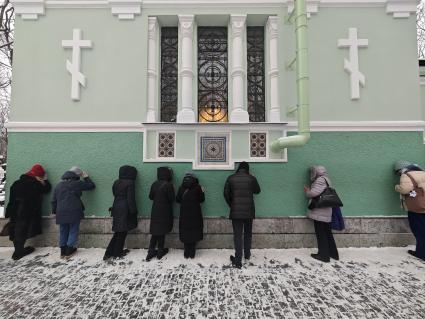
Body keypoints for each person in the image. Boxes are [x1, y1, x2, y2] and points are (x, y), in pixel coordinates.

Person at [6, 164, 51, 260]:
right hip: (26, 210)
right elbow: (47, 189)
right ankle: (18, 252)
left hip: (14, 209)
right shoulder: (35, 184)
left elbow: (11, 198)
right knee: (22, 230)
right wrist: (45, 181)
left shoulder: (16, 183)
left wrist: (8, 211)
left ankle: (18, 249)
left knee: (15, 229)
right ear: (38, 176)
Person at [52, 166, 95, 259]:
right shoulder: (77, 183)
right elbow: (91, 186)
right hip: (74, 211)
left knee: (63, 231)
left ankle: (62, 252)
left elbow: (54, 200)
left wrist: (54, 212)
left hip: (60, 212)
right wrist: (86, 177)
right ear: (76, 175)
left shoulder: (58, 185)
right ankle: (69, 251)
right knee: (73, 230)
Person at [224, 161, 261, 269]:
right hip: (249, 212)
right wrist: (254, 178)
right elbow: (257, 191)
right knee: (248, 233)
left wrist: (232, 205)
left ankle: (238, 259)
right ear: (247, 169)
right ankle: (247, 255)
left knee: (237, 235)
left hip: (236, 212)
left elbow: (225, 193)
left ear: (239, 168)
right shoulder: (251, 178)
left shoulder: (231, 178)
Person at [304, 165, 339, 263]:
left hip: (320, 211)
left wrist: (307, 191)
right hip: (326, 211)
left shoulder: (320, 180)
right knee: (327, 232)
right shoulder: (327, 179)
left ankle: (323, 255)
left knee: (321, 234)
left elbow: (314, 193)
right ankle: (333, 253)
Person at [104, 165, 138, 261]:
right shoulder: (130, 183)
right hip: (125, 208)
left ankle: (109, 252)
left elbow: (114, 194)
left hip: (116, 206)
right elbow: (130, 199)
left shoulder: (116, 182)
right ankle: (117, 252)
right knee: (122, 232)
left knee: (118, 231)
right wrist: (133, 211)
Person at [394, 160, 425, 261]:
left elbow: (405, 189)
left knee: (419, 230)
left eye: (398, 172)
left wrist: (397, 187)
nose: (399, 175)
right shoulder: (422, 172)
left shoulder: (406, 174)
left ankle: (421, 253)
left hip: (417, 208)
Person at [146, 167, 175, 261]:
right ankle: (160, 252)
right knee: (162, 231)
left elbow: (150, 197)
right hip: (165, 210)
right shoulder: (168, 185)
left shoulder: (154, 184)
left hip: (155, 210)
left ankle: (150, 252)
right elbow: (172, 199)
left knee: (155, 231)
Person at [176, 172, 205, 259]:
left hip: (184, 213)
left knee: (185, 230)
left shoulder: (181, 188)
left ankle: (186, 252)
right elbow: (201, 200)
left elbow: (178, 200)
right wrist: (203, 192)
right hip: (195, 213)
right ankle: (192, 252)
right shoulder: (198, 188)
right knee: (194, 230)